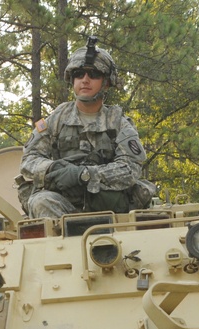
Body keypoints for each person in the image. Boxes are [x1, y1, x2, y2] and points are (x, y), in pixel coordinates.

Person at [19, 37, 156, 219]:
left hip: (109, 208)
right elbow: (29, 160)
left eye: (94, 75)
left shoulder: (118, 122)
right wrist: (54, 169)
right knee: (40, 201)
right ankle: (63, 248)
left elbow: (129, 169)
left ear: (106, 82)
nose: (85, 80)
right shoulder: (56, 119)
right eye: (79, 74)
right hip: (63, 205)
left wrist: (84, 175)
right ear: (72, 79)